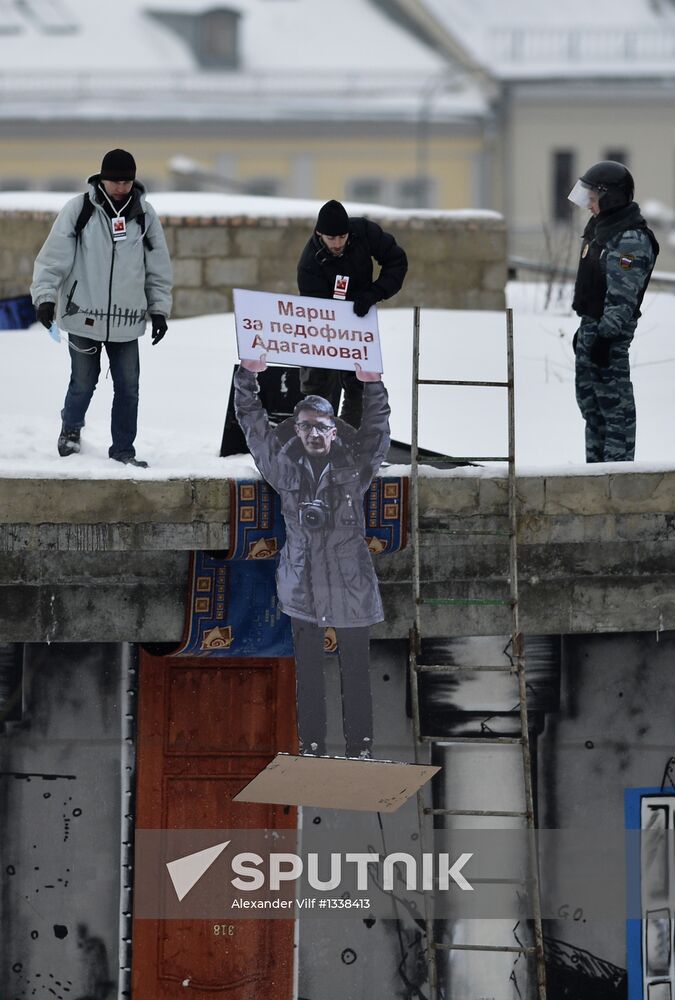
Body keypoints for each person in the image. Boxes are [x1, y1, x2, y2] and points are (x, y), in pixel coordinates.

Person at [234, 354, 390, 759]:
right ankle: (313, 746)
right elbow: (253, 426)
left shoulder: (356, 468)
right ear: (298, 430)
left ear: (335, 431)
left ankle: (361, 748)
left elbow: (376, 431)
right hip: (302, 584)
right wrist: (248, 374)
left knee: (356, 669)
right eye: (306, 426)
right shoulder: (284, 469)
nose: (315, 433)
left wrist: (373, 384)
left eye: (323, 426)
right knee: (308, 672)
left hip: (349, 581)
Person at [31, 149, 173, 468]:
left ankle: (123, 449)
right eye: (115, 181)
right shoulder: (79, 210)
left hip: (127, 321)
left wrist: (160, 310)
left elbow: (158, 269)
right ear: (102, 179)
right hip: (83, 316)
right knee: (83, 381)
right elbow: (52, 259)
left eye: (127, 181)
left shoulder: (145, 216)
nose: (121, 187)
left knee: (129, 388)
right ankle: (71, 429)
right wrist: (45, 298)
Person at [569, 161, 658, 463]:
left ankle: (616, 484)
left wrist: (604, 339)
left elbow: (622, 297)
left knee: (615, 415)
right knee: (592, 410)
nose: (589, 205)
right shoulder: (602, 230)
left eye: (593, 198)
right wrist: (586, 332)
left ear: (611, 197)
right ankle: (593, 478)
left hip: (609, 340)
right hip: (592, 332)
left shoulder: (630, 238)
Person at [296, 199, 407, 429]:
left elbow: (396, 260)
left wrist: (374, 293)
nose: (337, 243)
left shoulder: (364, 232)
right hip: (324, 324)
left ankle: (350, 440)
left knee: (361, 384)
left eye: (342, 237)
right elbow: (316, 312)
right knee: (318, 386)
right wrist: (339, 316)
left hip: (360, 319)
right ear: (319, 234)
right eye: (331, 238)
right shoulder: (309, 264)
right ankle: (318, 444)